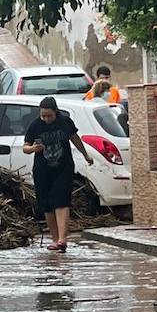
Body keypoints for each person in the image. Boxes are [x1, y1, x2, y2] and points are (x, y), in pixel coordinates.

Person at [22, 96, 94, 253]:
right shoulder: (35, 125)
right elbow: (25, 147)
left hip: (63, 168)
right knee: (47, 205)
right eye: (43, 116)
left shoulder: (65, 122)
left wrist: (85, 155)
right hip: (42, 170)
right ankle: (55, 239)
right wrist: (33, 149)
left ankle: (62, 239)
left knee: (61, 201)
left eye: (49, 116)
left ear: (56, 112)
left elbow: (75, 138)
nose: (46, 119)